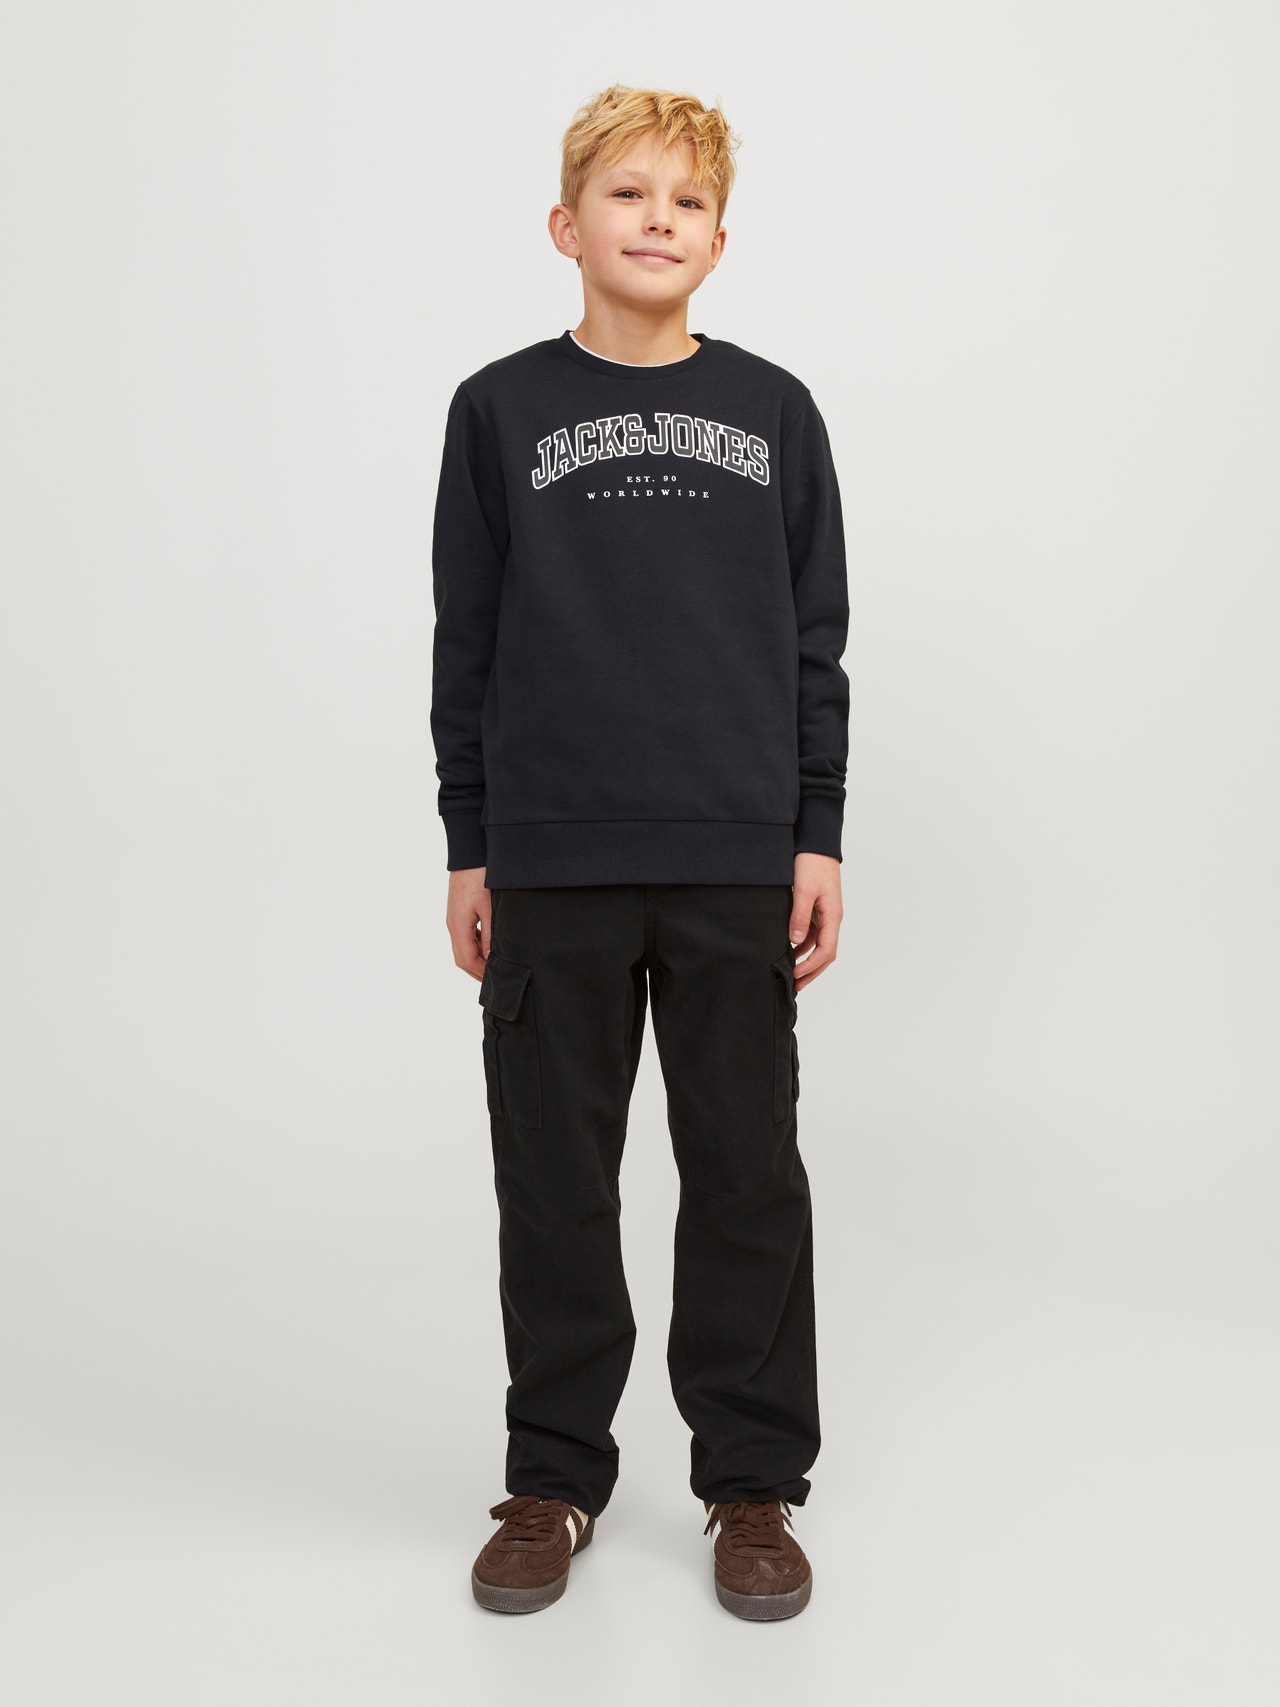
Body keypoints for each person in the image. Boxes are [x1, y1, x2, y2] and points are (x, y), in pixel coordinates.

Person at [429, 82, 850, 1622]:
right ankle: (553, 1478)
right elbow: (467, 640)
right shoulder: (497, 412)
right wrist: (472, 842)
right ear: (567, 225)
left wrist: (817, 834)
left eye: (686, 201)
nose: (657, 219)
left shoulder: (776, 413)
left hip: (737, 854)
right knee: (555, 1178)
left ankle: (753, 1483)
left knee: (745, 1175)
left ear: (719, 241)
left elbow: (815, 643)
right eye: (627, 193)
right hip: (551, 856)